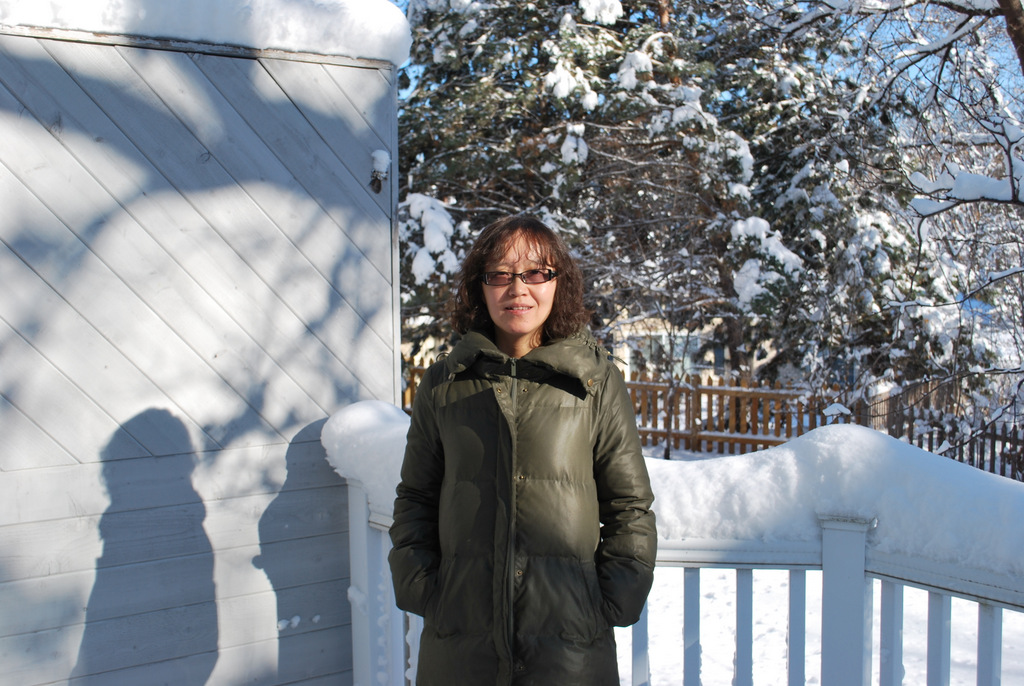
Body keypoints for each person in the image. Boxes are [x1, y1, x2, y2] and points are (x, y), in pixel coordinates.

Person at [388, 214, 657, 685]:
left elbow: (629, 505)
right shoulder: (445, 382)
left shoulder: (594, 381)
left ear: (558, 282)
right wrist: (423, 588)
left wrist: (612, 599)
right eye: (500, 274)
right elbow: (415, 498)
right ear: (480, 286)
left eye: (536, 273)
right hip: (461, 641)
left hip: (570, 645)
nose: (518, 289)